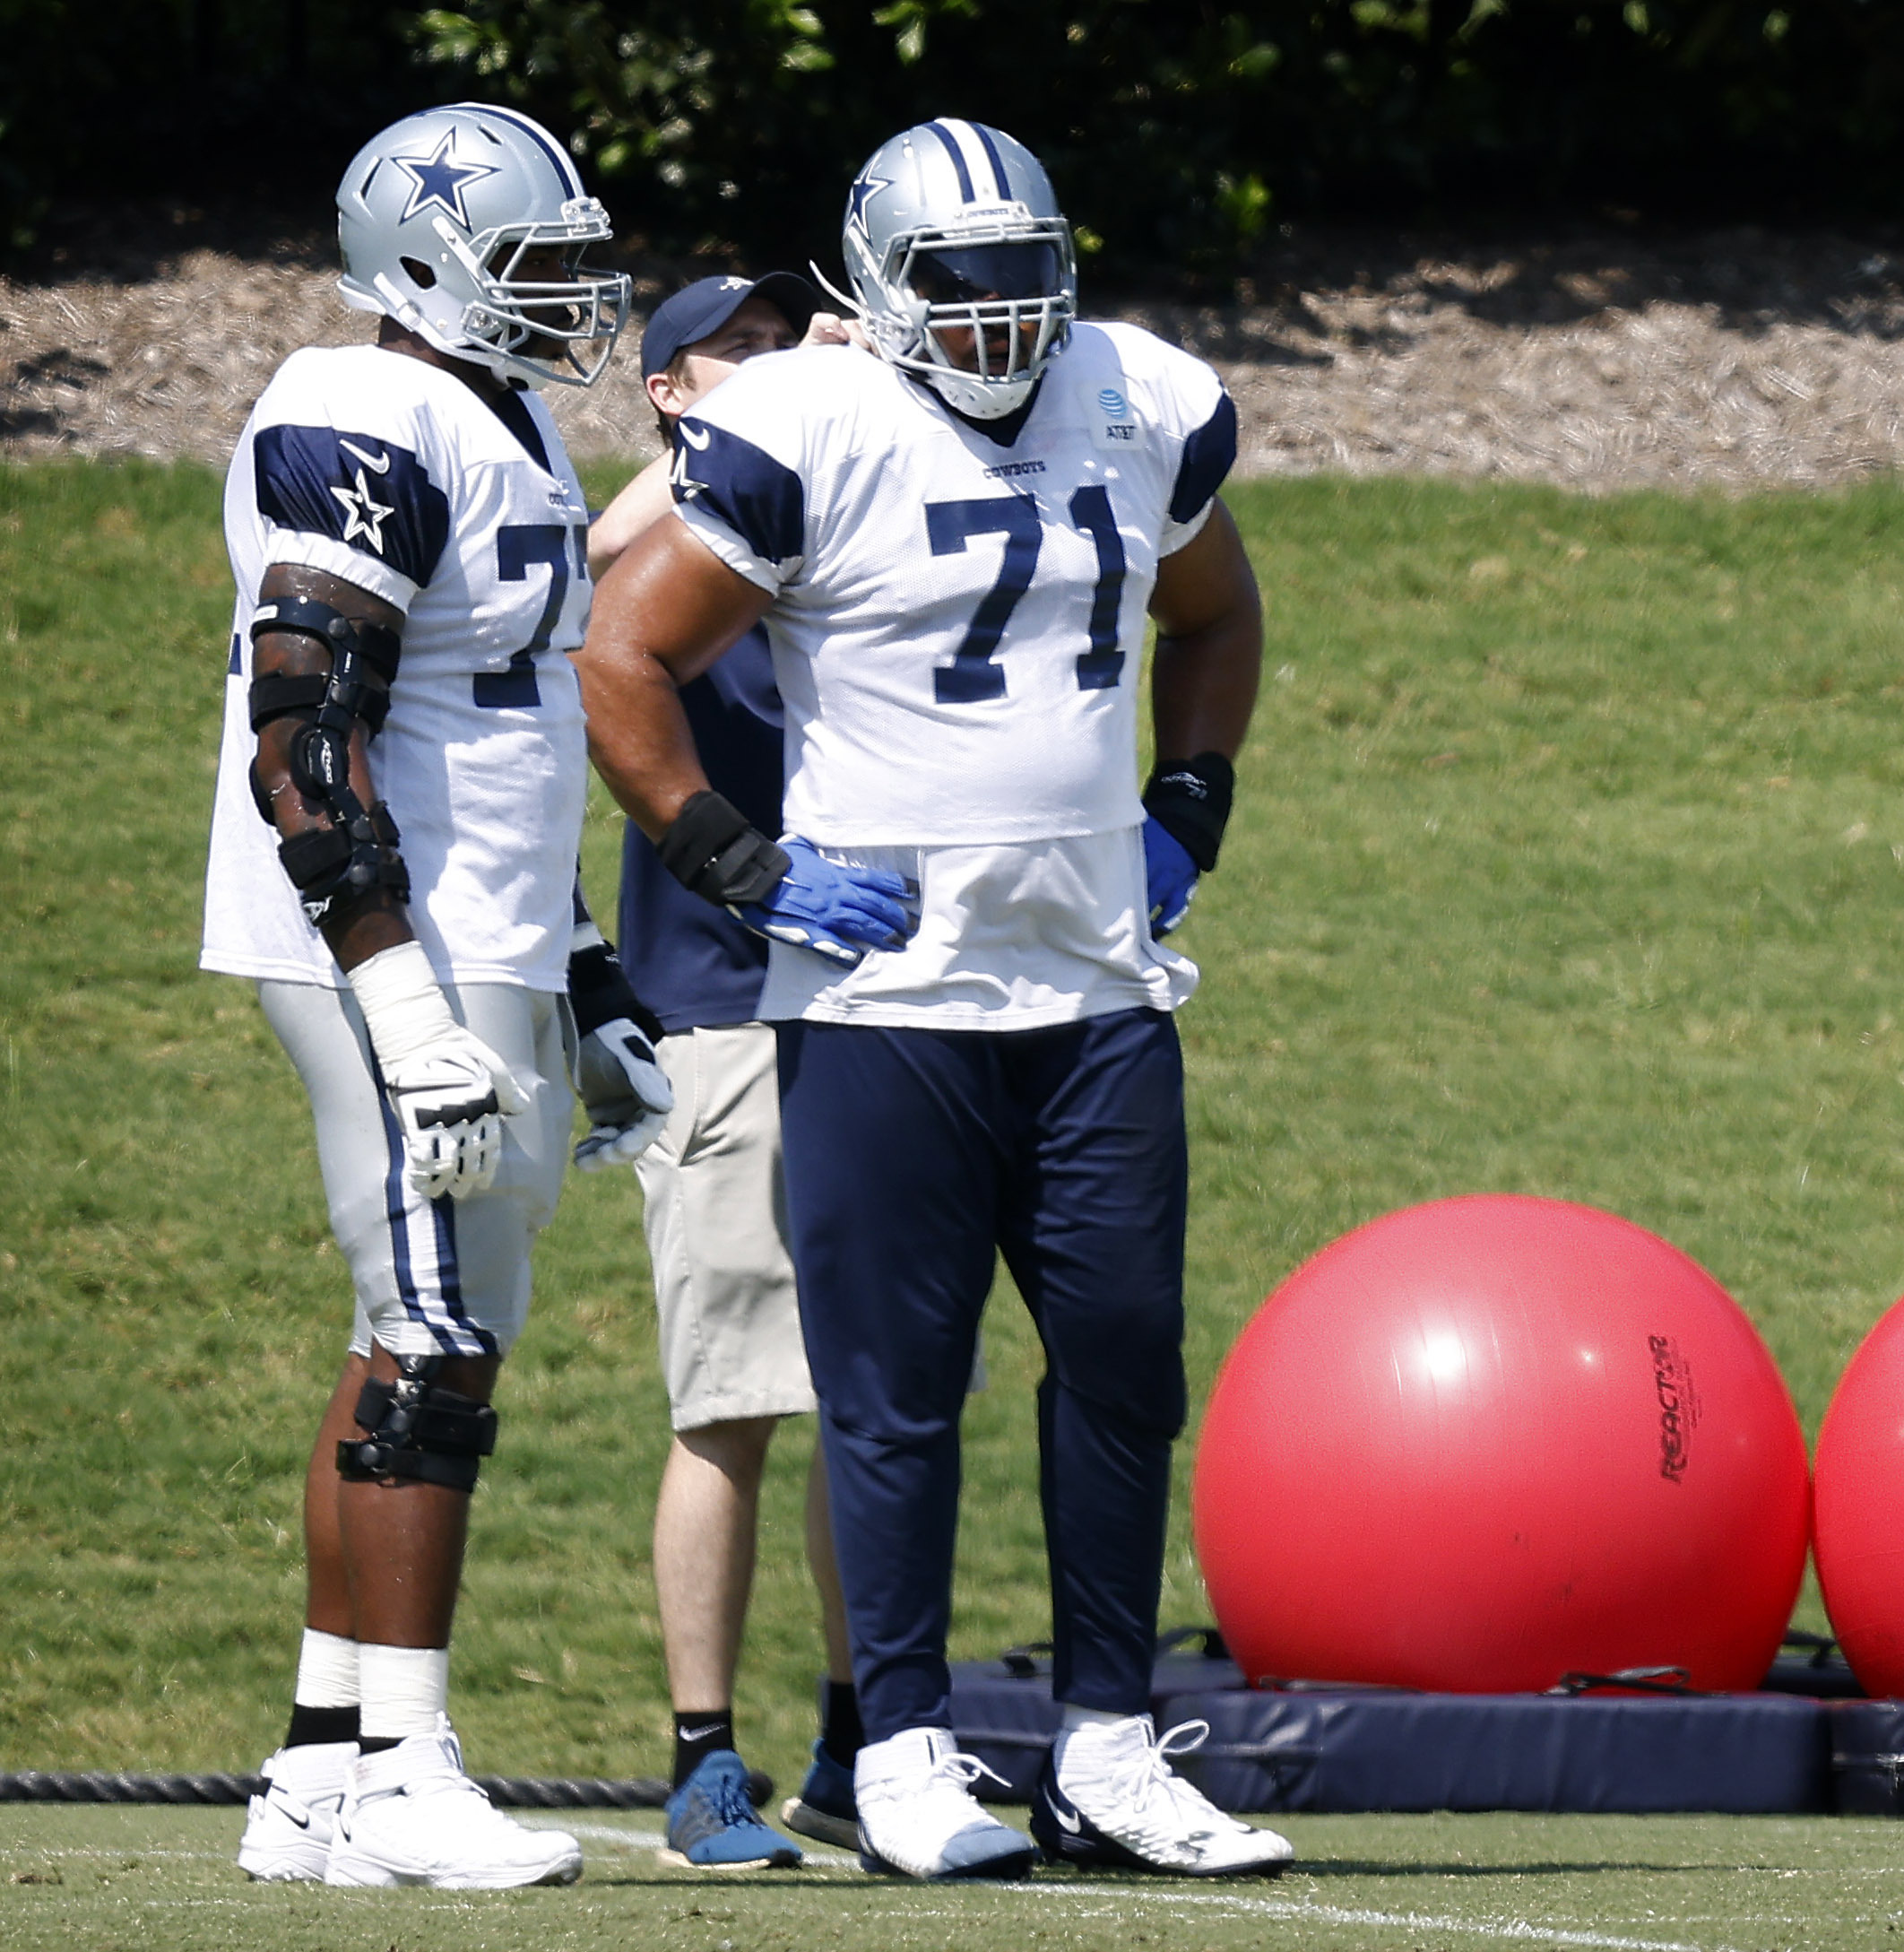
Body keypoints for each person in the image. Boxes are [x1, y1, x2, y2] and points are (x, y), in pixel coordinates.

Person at [575, 117, 1291, 1883]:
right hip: (884, 1003)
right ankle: (897, 1749)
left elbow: (1215, 612)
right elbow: (625, 656)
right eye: (958, 291)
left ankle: (1109, 1748)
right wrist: (739, 866)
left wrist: (1188, 803)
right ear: (882, 293)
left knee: (1123, 1364)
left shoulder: (1141, 397)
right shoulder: (802, 426)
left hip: (1099, 990)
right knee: (892, 1389)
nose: (998, 323)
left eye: (1024, 283)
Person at [208, 102, 667, 1889]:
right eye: (535, 266)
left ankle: (320, 1770)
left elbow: (510, 743)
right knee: (433, 1335)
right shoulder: (360, 413)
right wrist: (397, 994)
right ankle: (406, 1771)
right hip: (382, 935)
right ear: (421, 267)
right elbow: (306, 734)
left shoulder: (504, 417)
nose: (574, 298)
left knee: (415, 1320)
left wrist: (589, 975)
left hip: (478, 924)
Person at [584, 272, 853, 1873]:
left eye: (782, 338)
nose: (768, 365)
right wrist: (737, 428)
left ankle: (862, 1736)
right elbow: (595, 575)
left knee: (873, 1406)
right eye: (731, 351)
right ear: (672, 395)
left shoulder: (835, 503)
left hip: (882, 1010)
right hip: (722, 1013)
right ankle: (702, 1763)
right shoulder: (658, 532)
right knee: (731, 1405)